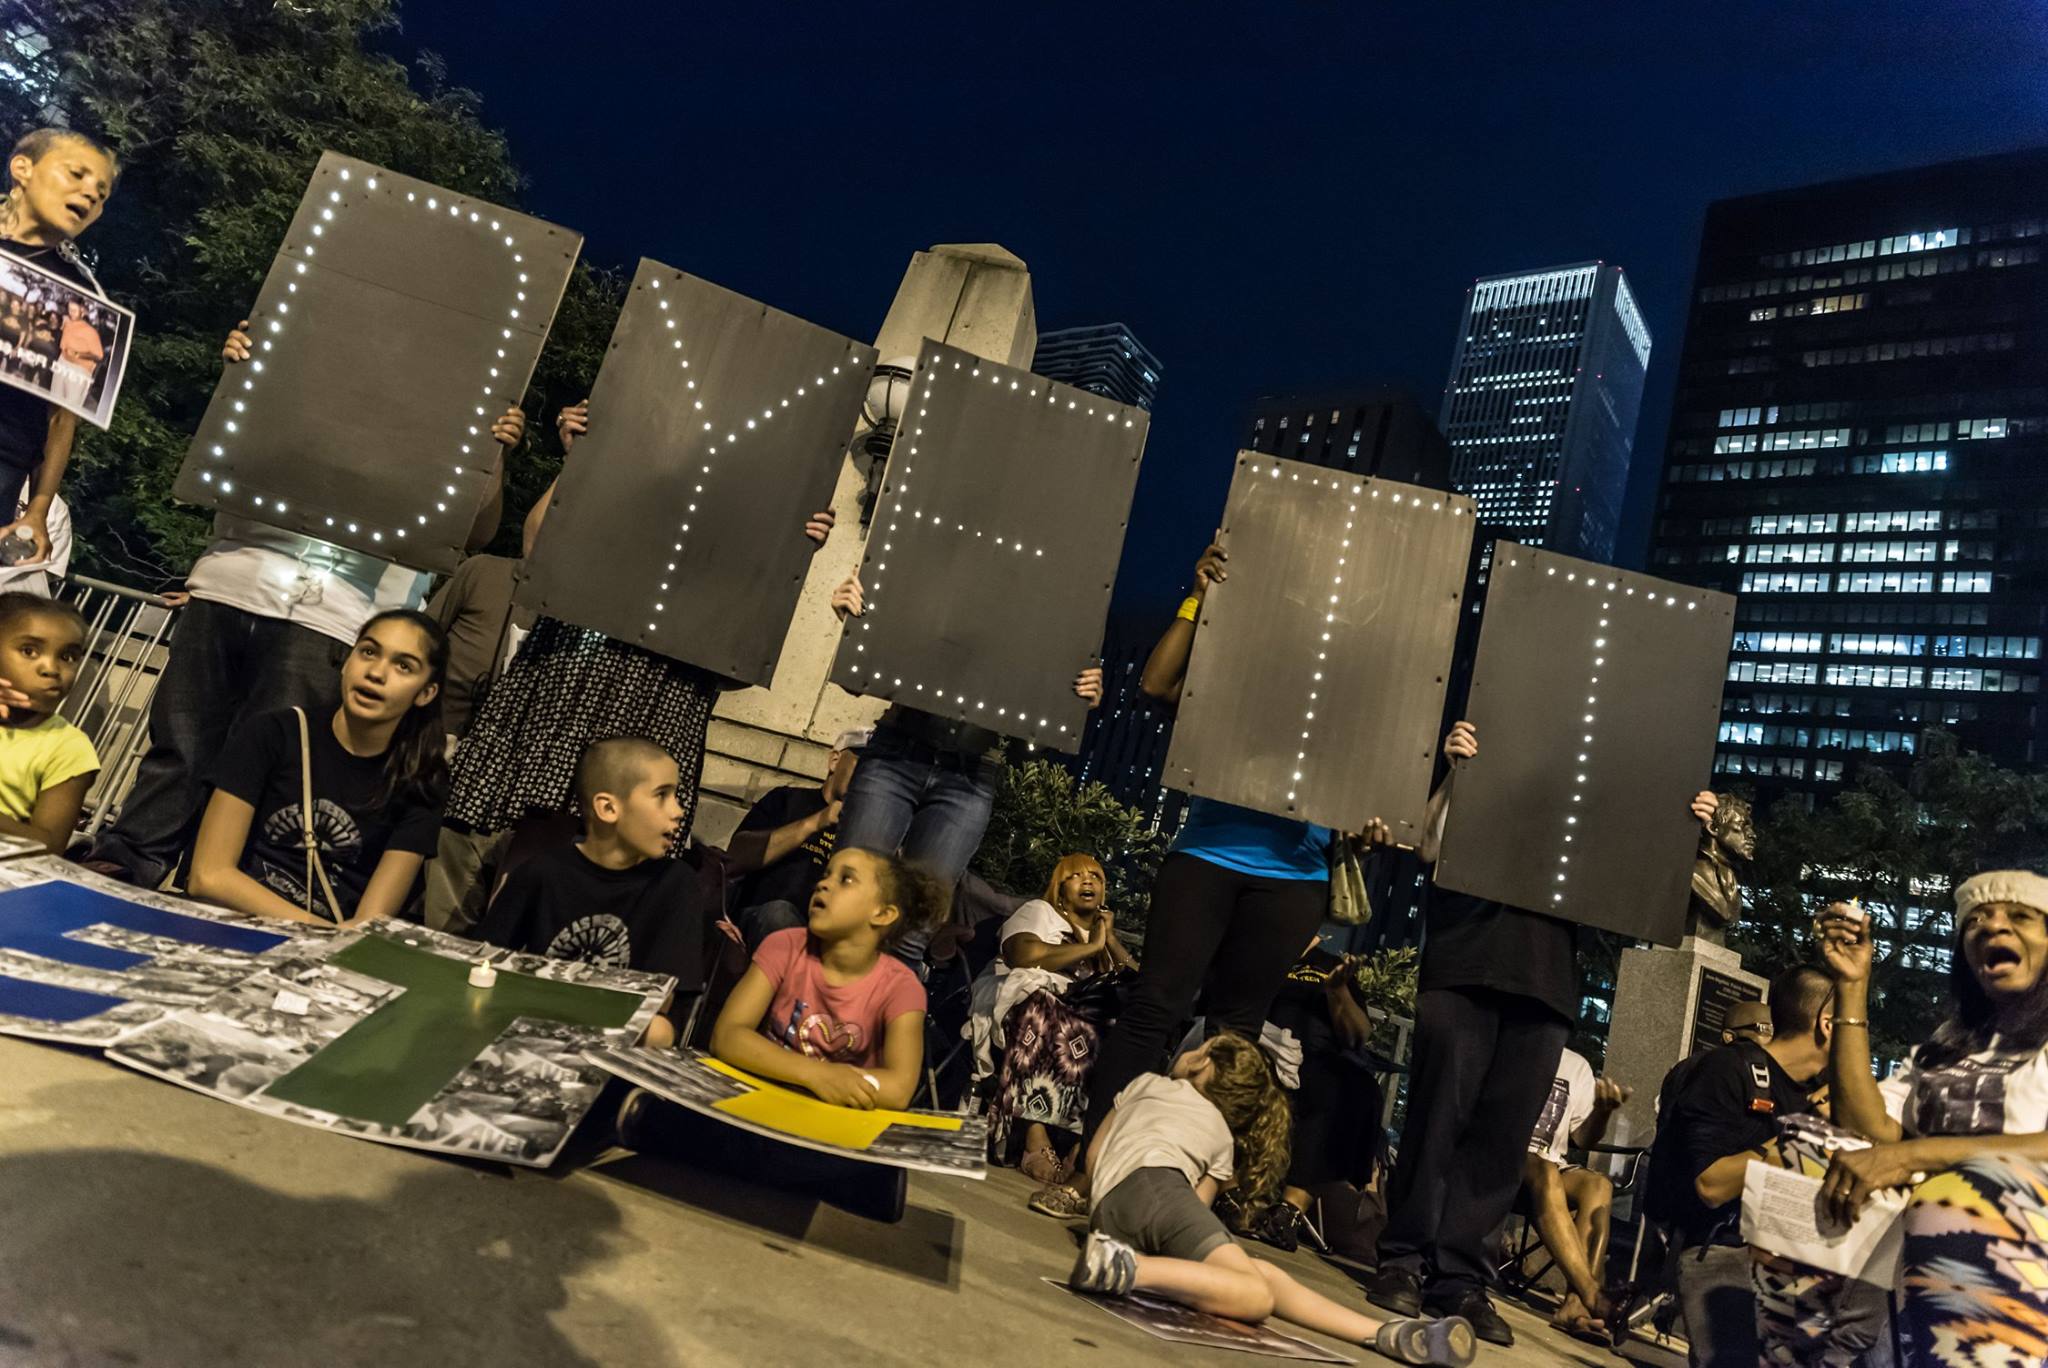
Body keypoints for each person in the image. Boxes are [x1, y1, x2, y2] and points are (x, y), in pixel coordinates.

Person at [87, 317, 524, 889]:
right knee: (180, 746)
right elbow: (231, 448)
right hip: (230, 580)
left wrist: (493, 455)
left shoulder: (450, 411)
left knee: (274, 770)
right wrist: (242, 374)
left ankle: (224, 889)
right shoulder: (308, 354)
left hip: (334, 615)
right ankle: (126, 865)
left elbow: (474, 532)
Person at [1367, 718, 1719, 1347]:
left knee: (1503, 1144)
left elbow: (1639, 874)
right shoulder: (1490, 775)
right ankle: (1403, 1260)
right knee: (1437, 1119)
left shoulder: (1583, 818)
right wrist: (1456, 772)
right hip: (1464, 965)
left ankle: (1460, 1280)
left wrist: (1683, 827)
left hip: (1544, 983)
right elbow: (1427, 847)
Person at [1033, 539, 1334, 1219]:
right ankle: (1090, 1171)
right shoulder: (1239, 659)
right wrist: (1199, 597)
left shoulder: (1341, 686)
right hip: (1208, 854)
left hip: (1295, 874)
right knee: (1154, 1008)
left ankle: (1181, 1183)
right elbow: (1157, 683)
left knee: (1234, 1033)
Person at [443, 395, 835, 888]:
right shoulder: (619, 497)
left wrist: (790, 556)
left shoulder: (728, 561)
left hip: (661, 706)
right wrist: (581, 463)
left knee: (610, 881)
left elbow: (739, 666)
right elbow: (535, 549)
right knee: (518, 847)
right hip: (568, 685)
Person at [1067, 1032, 1476, 1367]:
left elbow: (1094, 1157)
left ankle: (1385, 1334)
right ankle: (1129, 1268)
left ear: (1201, 1063)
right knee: (1256, 1294)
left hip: (1109, 1211)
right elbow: (1196, 1205)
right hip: (1161, 1189)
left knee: (1259, 1274)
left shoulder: (1144, 1084)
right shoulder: (1221, 1134)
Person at [1813, 872, 2048, 1364]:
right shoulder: (1950, 1041)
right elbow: (1868, 1130)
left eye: (2020, 917)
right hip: (1921, 1276)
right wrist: (1852, 986)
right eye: (1976, 921)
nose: (1993, 926)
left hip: (2023, 1284)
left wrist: (1914, 1155)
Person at [829, 569, 1102, 969]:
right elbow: (862, 675)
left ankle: (878, 1010)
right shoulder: (944, 576)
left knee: (913, 931)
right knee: (847, 903)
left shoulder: (1042, 620)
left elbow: (1030, 746)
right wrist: (858, 624)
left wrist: (1070, 703)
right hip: (899, 750)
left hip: (970, 774)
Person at [186, 609, 447, 926]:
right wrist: (322, 931)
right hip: (230, 924)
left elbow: (370, 922)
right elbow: (208, 875)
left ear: (426, 693)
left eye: (403, 666)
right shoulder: (272, 734)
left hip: (324, 947)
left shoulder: (421, 779)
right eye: (368, 652)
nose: (377, 673)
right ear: (347, 661)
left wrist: (326, 939)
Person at [477, 737, 709, 1050]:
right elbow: (482, 964)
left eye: (676, 796)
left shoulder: (675, 883)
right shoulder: (542, 872)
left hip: (614, 1048)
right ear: (608, 808)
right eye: (662, 795)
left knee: (657, 1031)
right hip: (528, 1035)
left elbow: (663, 1015)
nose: (678, 811)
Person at [1655, 964, 1832, 1368]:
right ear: (1827, 1023)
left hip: (1797, 1264)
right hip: (1724, 1250)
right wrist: (1802, 1134)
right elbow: (1711, 1185)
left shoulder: (1818, 1095)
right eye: (1855, 1023)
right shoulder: (1727, 1070)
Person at [708, 846, 944, 1110]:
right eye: (826, 875)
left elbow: (899, 1089)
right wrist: (817, 1075)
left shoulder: (902, 988)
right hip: (759, 1103)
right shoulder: (784, 946)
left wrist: (834, 1083)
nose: (823, 884)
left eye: (846, 879)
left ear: (882, 914)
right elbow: (727, 1036)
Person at [977, 853, 1138, 1182]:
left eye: (1096, 876)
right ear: (1059, 888)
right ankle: (1034, 1136)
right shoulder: (1040, 912)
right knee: (1046, 1012)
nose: (1088, 880)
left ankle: (1082, 1147)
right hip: (1028, 1004)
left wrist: (1108, 940)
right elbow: (1023, 954)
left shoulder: (1102, 937)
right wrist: (1090, 948)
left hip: (1083, 1017)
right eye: (1076, 875)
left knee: (1126, 1038)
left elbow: (1140, 985)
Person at [0, 128, 117, 566]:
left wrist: (38, 508)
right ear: (22, 168)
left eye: (101, 193)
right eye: (77, 174)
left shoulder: (82, 299)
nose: (90, 193)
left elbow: (62, 416)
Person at [1518, 1047, 1629, 1340]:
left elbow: (1583, 1138)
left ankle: (1575, 1305)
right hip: (1505, 1159)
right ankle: (1593, 1294)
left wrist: (1602, 1112)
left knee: (1599, 1185)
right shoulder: (1516, 1044)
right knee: (1546, 1170)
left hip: (1551, 1167)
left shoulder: (1576, 1064)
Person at [724, 728, 869, 950]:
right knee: (779, 915)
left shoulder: (868, 832)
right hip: (762, 919)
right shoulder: (787, 800)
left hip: (823, 937)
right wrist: (816, 822)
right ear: (834, 761)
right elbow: (736, 857)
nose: (869, 776)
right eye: (863, 764)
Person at [0, 592, 98, 852]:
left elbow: (49, 845)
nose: (51, 669)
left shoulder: (69, 747)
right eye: (29, 651)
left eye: (68, 657)